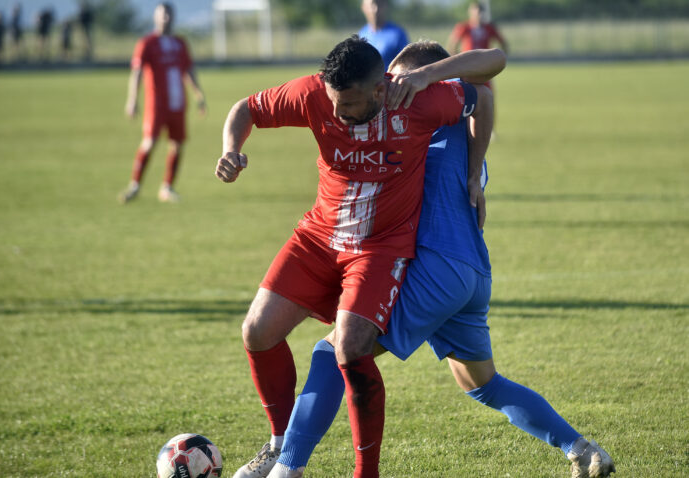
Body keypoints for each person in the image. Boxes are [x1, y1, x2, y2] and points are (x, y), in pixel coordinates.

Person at [264, 42, 616, 478]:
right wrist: (474, 171)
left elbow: (489, 66)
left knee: (335, 349)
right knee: (481, 384)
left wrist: (427, 77)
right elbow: (483, 91)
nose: (387, 89)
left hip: (433, 267)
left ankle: (286, 466)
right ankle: (581, 449)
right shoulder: (466, 128)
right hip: (471, 274)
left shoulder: (424, 118)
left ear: (429, 81)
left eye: (396, 78)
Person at [216, 35, 503, 478]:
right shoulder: (314, 93)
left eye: (348, 104)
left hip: (379, 249)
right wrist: (231, 150)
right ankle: (278, 447)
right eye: (333, 101)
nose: (336, 113)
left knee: (350, 349)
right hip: (318, 238)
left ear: (379, 90)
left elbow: (487, 81)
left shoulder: (418, 102)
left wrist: (473, 174)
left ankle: (365, 472)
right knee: (256, 331)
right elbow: (245, 109)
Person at [118, 2, 206, 204]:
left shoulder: (180, 43)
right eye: (162, 14)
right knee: (149, 143)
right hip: (156, 104)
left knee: (177, 145)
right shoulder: (147, 43)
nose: (166, 17)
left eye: (169, 14)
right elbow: (137, 72)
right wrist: (132, 100)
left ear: (173, 16)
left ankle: (167, 188)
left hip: (178, 104)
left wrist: (199, 95)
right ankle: (135, 185)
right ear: (155, 17)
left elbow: (189, 70)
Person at [358, 0, 409, 70]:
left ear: (385, 6)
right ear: (363, 8)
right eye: (372, 4)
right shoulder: (362, 33)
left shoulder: (397, 34)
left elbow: (407, 65)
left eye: (380, 4)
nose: (376, 9)